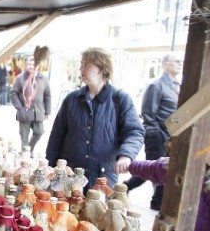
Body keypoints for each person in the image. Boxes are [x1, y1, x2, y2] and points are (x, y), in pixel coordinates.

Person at [45, 47, 144, 191]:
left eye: (87, 65)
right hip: (68, 176)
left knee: (98, 206)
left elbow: (134, 131)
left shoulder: (120, 99)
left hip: (102, 178)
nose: (81, 69)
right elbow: (57, 135)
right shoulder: (72, 99)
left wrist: (126, 155)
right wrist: (49, 166)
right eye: (81, 65)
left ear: (102, 68)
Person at [124, 52, 182, 210]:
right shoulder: (156, 85)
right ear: (165, 64)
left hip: (171, 136)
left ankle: (155, 200)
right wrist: (156, 134)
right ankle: (129, 188)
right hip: (158, 136)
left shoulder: (176, 85)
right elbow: (148, 114)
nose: (180, 64)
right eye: (176, 61)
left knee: (163, 168)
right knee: (154, 168)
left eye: (180, 61)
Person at [10, 46, 52, 152]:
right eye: (29, 64)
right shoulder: (20, 78)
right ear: (26, 65)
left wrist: (47, 111)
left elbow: (47, 95)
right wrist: (20, 108)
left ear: (37, 65)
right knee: (24, 136)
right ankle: (25, 156)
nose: (31, 66)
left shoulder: (44, 79)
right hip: (24, 112)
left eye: (33, 64)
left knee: (39, 132)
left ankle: (30, 149)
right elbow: (13, 93)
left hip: (39, 112)